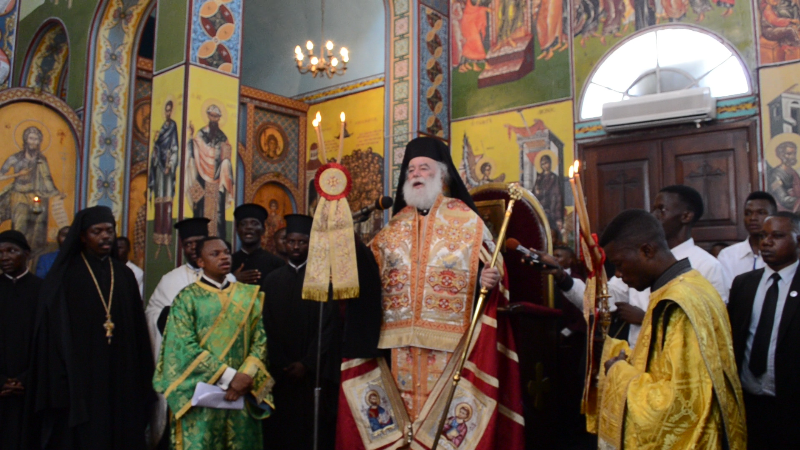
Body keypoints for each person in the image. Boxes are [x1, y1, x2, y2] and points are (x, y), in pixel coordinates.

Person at [336, 137, 524, 450]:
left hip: (452, 345)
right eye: (411, 169)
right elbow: (368, 280)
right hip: (398, 346)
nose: (416, 174)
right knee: (401, 425)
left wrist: (488, 278)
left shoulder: (467, 221)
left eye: (424, 167)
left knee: (444, 425)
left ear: (442, 174)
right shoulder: (392, 229)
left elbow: (493, 271)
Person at [597, 209, 745, 450]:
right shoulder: (688, 284)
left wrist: (618, 371)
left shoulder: (677, 303)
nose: (620, 275)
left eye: (619, 264)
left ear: (647, 250)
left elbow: (678, 403)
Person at [27, 206, 155, 449]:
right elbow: (53, 332)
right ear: (83, 236)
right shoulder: (66, 276)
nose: (106, 236)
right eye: (97, 231)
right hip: (80, 377)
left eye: (110, 230)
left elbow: (137, 329)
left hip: (120, 372)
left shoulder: (124, 274)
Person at [556, 185, 729, 348]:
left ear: (686, 216)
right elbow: (601, 299)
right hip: (636, 358)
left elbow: (712, 327)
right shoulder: (638, 261)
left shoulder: (708, 265)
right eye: (653, 209)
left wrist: (645, 318)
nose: (653, 215)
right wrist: (563, 278)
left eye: (661, 209)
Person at [153, 236, 274, 450]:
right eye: (215, 254)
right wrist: (230, 377)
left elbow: (260, 341)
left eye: (226, 252)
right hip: (201, 397)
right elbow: (183, 347)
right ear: (201, 262)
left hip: (242, 395)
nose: (224, 257)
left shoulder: (248, 296)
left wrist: (245, 376)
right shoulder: (187, 298)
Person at [145, 217, 235, 447]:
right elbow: (153, 316)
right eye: (188, 244)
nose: (193, 248)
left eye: (198, 242)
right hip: (183, 370)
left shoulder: (230, 281)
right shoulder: (170, 280)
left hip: (219, 367)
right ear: (182, 247)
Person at [261, 214, 337, 450]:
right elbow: (265, 325)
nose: (295, 246)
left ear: (310, 243)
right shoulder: (272, 280)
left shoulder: (322, 280)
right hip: (280, 373)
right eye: (291, 241)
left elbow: (327, 327)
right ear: (285, 243)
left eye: (302, 242)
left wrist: (306, 363)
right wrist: (281, 361)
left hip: (311, 374)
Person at [727, 211, 800, 449]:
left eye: (777, 236)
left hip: (791, 406)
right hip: (748, 403)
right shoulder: (744, 284)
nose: (766, 242)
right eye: (763, 236)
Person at [0, 230, 40, 450]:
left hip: (31, 388)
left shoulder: (42, 291)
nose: (4, 257)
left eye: (11, 251)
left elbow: (47, 341)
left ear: (27, 254)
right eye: (0, 252)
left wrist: (26, 378)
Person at [0, 126, 67, 254]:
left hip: (38, 198)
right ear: (26, 140)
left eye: (36, 139)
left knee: (36, 234)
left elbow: (47, 178)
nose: (33, 142)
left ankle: (31, 263)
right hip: (19, 196)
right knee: (19, 229)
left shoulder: (41, 159)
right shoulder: (15, 158)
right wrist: (17, 175)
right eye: (31, 138)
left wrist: (57, 193)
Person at [186, 105, 234, 237]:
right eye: (211, 116)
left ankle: (218, 240)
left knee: (218, 213)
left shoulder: (223, 137)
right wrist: (191, 137)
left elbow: (227, 156)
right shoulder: (201, 133)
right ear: (208, 116)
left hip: (218, 179)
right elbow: (195, 148)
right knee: (201, 209)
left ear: (219, 118)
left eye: (216, 116)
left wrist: (225, 160)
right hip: (202, 175)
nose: (213, 119)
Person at [717, 191, 777, 285]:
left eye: (761, 213)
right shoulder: (728, 255)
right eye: (748, 213)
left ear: (773, 217)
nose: (753, 218)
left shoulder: (781, 253)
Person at [149, 100, 179, 258]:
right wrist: (155, 152)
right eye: (166, 110)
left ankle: (167, 241)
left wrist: (171, 164)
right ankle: (157, 239)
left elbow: (175, 148)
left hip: (167, 170)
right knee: (158, 202)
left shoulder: (173, 126)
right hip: (159, 169)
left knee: (167, 203)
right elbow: (157, 147)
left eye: (169, 110)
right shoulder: (161, 128)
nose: (167, 113)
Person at [232, 204, 284, 292]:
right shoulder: (228, 262)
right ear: (237, 230)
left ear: (263, 230)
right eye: (243, 224)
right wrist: (233, 279)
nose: (248, 227)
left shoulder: (277, 264)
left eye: (254, 223)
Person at [769, 140, 800, 212]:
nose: (792, 156)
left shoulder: (793, 172)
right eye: (789, 154)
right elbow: (783, 199)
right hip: (784, 213)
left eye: (794, 153)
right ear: (781, 155)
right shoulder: (776, 174)